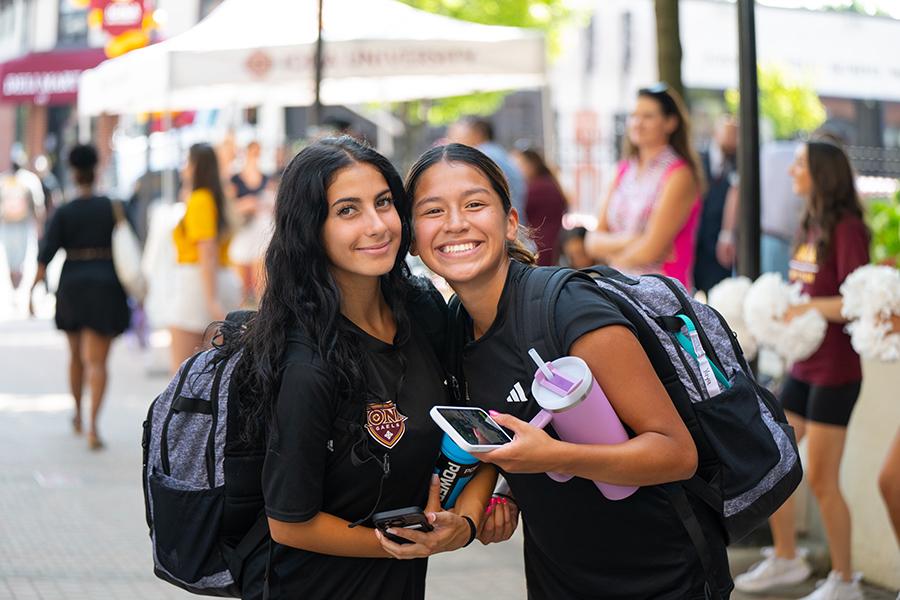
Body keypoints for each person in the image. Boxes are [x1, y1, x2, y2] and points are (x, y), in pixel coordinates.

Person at [405, 143, 733, 599]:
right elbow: (509, 433)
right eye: (433, 210)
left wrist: (552, 458)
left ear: (510, 221)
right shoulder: (455, 326)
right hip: (555, 577)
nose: (456, 222)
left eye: (475, 204)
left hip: (659, 576)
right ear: (413, 236)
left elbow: (676, 453)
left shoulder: (569, 310)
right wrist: (507, 490)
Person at [234, 137, 498, 600]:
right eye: (348, 210)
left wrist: (468, 522)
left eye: (383, 203)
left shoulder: (423, 311)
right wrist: (408, 545)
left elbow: (474, 430)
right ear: (310, 229)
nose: (377, 226)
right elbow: (290, 524)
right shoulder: (307, 364)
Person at [734, 141, 870, 600]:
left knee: (822, 479)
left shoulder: (847, 228)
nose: (791, 169)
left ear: (821, 173)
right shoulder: (808, 224)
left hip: (836, 372)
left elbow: (856, 301)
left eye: (799, 164)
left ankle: (846, 580)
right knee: (775, 458)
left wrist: (801, 308)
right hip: (804, 366)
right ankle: (788, 558)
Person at [29, 144, 130, 450]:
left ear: (73, 173)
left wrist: (33, 291)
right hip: (106, 286)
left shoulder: (64, 211)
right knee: (97, 362)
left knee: (75, 357)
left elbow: (45, 255)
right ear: (96, 169)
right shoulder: (112, 206)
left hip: (72, 285)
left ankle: (76, 413)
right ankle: (93, 427)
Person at [585, 83, 703, 290]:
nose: (638, 123)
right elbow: (592, 242)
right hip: (619, 288)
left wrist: (612, 258)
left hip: (661, 293)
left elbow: (651, 250)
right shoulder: (623, 170)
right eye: (634, 115)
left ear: (670, 123)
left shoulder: (679, 174)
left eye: (648, 116)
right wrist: (634, 239)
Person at [168, 143, 240, 372]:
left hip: (199, 285)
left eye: (187, 162)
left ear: (197, 165)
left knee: (181, 377)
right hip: (212, 281)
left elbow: (206, 252)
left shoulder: (201, 199)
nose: (183, 168)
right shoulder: (213, 197)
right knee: (207, 375)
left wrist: (212, 301)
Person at [447, 115, 527, 222]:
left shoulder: (481, 156)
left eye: (456, 134)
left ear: (477, 134)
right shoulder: (496, 152)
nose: (451, 140)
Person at [693, 115, 738, 294]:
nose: (733, 138)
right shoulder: (698, 158)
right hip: (696, 239)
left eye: (736, 134)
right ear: (716, 133)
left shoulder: (739, 161)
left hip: (720, 242)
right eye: (729, 132)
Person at [228, 140, 271, 305]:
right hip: (242, 230)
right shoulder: (235, 179)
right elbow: (230, 207)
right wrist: (245, 205)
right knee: (240, 280)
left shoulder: (266, 177)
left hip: (261, 230)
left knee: (260, 276)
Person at [513, 147, 567, 266]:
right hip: (550, 240)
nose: (516, 170)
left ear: (531, 165)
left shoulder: (538, 188)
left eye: (519, 165)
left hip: (541, 243)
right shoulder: (548, 183)